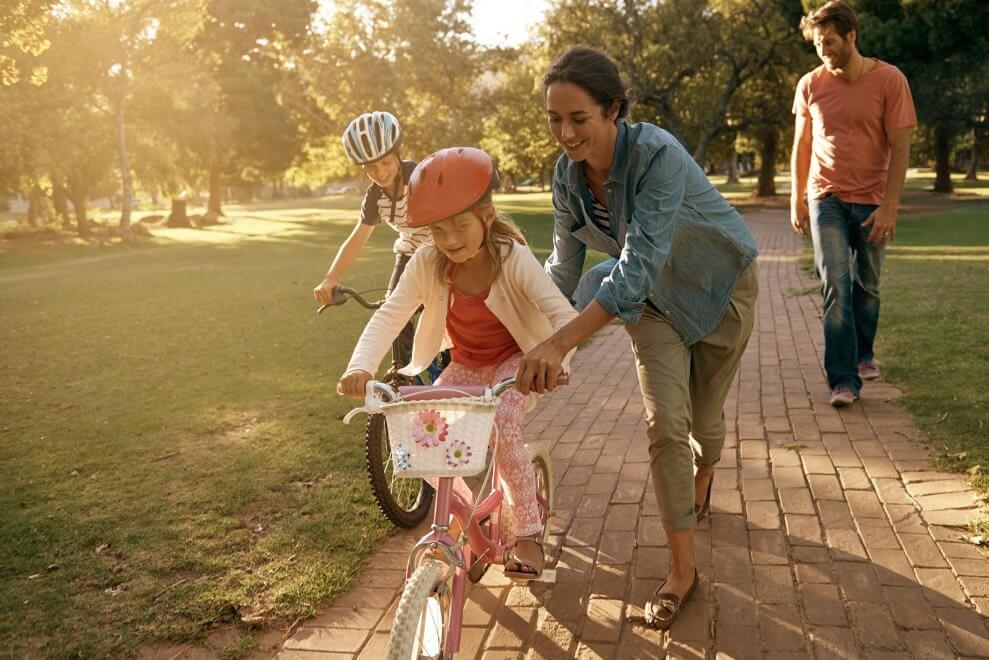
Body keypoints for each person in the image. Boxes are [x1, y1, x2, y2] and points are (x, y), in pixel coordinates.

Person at [515, 47, 759, 629]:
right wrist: (527, 334)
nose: (565, 132)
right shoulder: (565, 177)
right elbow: (563, 269)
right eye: (554, 118)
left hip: (719, 287)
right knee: (665, 426)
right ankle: (683, 571)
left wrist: (561, 343)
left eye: (579, 118)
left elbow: (636, 265)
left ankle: (705, 474)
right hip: (652, 309)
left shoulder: (656, 153)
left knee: (705, 421)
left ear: (613, 110)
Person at [337, 147, 578, 579]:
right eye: (436, 230)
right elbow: (391, 313)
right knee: (422, 438)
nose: (449, 240)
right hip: (465, 365)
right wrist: (360, 366)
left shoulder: (511, 256)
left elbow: (563, 317)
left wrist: (553, 359)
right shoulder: (429, 262)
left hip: (515, 363)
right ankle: (466, 517)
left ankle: (527, 531)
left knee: (504, 421)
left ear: (486, 215)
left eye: (459, 225)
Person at [790, 0, 916, 407]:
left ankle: (863, 354)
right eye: (817, 43)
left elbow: (901, 147)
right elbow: (802, 144)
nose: (823, 50)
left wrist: (891, 205)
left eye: (829, 41)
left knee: (868, 286)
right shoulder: (810, 84)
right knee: (835, 286)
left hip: (873, 200)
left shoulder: (890, 80)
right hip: (825, 196)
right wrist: (796, 196)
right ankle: (843, 380)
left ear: (851, 36)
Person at [313, 111, 430, 374]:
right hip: (410, 253)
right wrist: (330, 278)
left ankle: (446, 364)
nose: (380, 173)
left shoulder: (422, 177)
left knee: (448, 312)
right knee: (393, 313)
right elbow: (357, 239)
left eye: (386, 163)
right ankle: (406, 374)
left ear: (399, 150)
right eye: (370, 168)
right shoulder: (376, 196)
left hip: (442, 250)